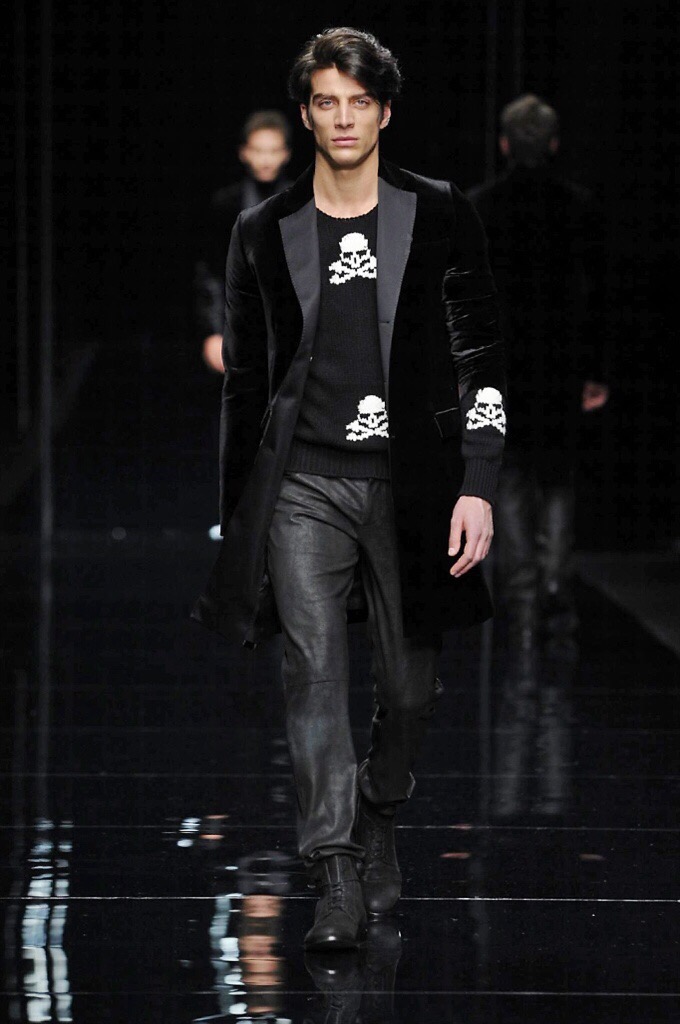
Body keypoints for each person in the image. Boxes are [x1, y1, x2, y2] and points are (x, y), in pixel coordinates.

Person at [193, 26, 506, 950]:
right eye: (326, 101)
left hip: (416, 484)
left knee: (410, 690)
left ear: (385, 112)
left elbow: (480, 350)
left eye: (359, 102)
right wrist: (241, 516)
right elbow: (245, 384)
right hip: (304, 484)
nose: (342, 118)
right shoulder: (264, 229)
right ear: (306, 113)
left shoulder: (438, 211)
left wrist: (480, 480)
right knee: (314, 679)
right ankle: (332, 868)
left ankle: (380, 806)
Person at [467, 94, 609, 821]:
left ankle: (525, 601)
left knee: (513, 480)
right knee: (555, 481)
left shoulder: (481, 207)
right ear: (551, 145)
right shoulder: (579, 206)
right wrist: (595, 369)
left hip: (504, 370)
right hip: (559, 368)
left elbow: (466, 300)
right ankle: (551, 588)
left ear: (504, 143)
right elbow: (598, 296)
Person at [194, 110, 293, 375]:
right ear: (244, 153)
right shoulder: (225, 205)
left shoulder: (303, 203)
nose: (266, 159)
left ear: (286, 154)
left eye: (273, 150)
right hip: (237, 329)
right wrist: (213, 332)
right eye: (258, 150)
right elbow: (211, 273)